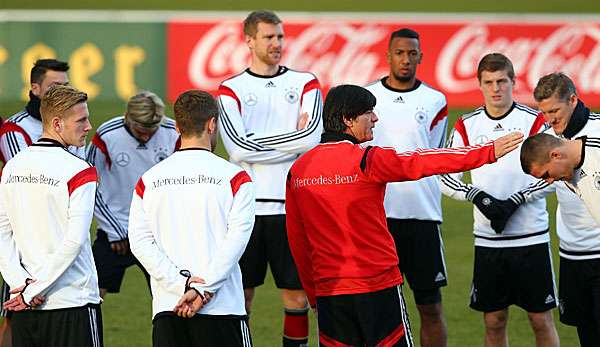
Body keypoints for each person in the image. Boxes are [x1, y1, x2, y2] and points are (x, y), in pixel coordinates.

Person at [285, 84, 523, 347]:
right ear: (347, 119)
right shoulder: (366, 160)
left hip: (330, 292)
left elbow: (297, 241)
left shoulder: (299, 170)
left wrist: (314, 295)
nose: (375, 118)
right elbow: (424, 161)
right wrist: (486, 152)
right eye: (368, 112)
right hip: (378, 287)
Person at [217, 10, 322, 347]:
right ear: (249, 40)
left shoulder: (305, 82)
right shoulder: (231, 89)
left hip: (293, 209)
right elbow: (235, 150)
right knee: (241, 299)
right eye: (269, 37)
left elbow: (312, 138)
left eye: (280, 36)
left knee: (296, 299)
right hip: (247, 211)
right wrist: (292, 139)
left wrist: (254, 143)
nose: (277, 43)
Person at [439, 53, 559, 347]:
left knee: (540, 319)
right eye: (489, 82)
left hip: (531, 238)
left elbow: (555, 171)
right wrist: (477, 195)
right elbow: (444, 175)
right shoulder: (467, 126)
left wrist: (518, 198)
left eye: (502, 81)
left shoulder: (533, 122)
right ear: (479, 84)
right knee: (494, 321)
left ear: (513, 82)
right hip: (488, 241)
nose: (496, 88)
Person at [128, 90, 254, 347]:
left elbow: (139, 243)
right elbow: (236, 241)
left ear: (177, 126)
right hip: (222, 308)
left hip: (169, 306)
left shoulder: (149, 180)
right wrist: (202, 289)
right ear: (212, 124)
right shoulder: (235, 178)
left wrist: (181, 283)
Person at [0, 84, 102, 347]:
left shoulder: (13, 167)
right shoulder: (80, 170)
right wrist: (34, 289)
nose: (89, 126)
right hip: (72, 300)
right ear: (57, 123)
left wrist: (20, 284)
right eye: (81, 120)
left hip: (24, 304)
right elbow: (74, 241)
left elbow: (2, 232)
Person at [365, 28, 448, 347]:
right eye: (399, 52)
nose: (405, 59)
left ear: (420, 57)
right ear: (388, 56)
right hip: (378, 217)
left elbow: (436, 154)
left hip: (422, 215)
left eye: (412, 53)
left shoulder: (435, 100)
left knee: (430, 306)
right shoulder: (367, 95)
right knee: (379, 306)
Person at [512, 72, 600, 347]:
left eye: (554, 110)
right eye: (544, 112)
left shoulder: (596, 135)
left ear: (573, 100)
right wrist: (513, 200)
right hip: (572, 250)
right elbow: (543, 183)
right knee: (585, 331)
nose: (550, 118)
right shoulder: (548, 140)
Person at [87, 91, 180, 298]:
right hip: (115, 233)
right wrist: (115, 229)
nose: (146, 136)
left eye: (152, 130)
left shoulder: (173, 132)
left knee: (169, 297)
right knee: (90, 295)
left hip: (158, 233)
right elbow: (88, 184)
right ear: (128, 118)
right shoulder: (107, 134)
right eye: (141, 130)